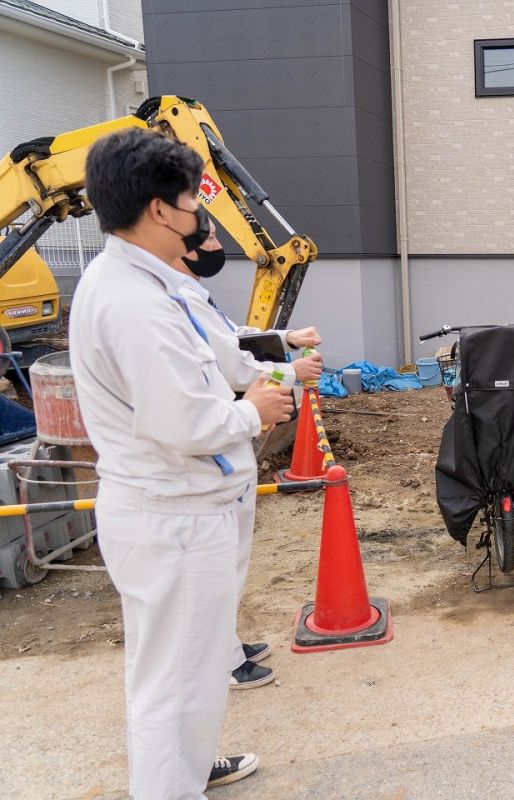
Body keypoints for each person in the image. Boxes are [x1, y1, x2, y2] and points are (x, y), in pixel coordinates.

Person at [71, 128, 293, 796]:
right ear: (160, 210)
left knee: (180, 672)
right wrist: (255, 410)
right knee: (176, 679)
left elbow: (222, 354)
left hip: (182, 511)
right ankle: (172, 784)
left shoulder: (158, 283)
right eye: (193, 200)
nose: (201, 215)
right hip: (173, 517)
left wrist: (262, 373)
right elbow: (186, 422)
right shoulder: (133, 302)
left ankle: (185, 769)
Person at [174, 228, 323, 690]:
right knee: (212, 572)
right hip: (204, 459)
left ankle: (226, 645)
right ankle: (218, 661)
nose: (218, 244)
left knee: (227, 566)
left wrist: (286, 337)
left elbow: (234, 336)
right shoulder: (169, 299)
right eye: (210, 235)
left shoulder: (190, 292)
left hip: (221, 453)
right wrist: (288, 369)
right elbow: (232, 364)